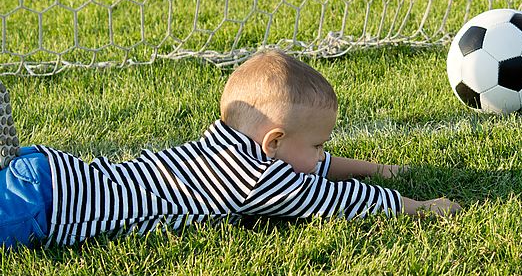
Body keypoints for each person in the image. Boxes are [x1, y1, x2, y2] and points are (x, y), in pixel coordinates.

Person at [0, 49, 461, 250]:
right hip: (45, 207)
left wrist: (379, 167)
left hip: (47, 172)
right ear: (273, 142)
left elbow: (312, 165)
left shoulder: (222, 147)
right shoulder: (257, 177)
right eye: (319, 142)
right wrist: (416, 205)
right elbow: (336, 200)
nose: (324, 153)